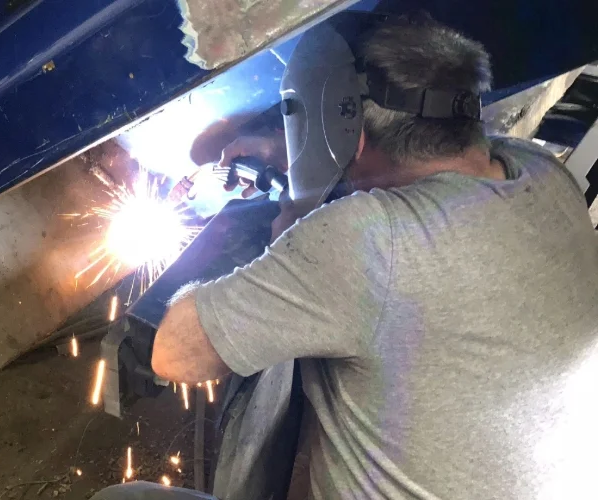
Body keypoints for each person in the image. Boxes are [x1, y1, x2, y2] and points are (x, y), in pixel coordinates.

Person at [99, 16, 598, 500]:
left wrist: (295, 218)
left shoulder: (368, 241)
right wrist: (285, 151)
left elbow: (174, 353)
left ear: (345, 131)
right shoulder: (539, 172)